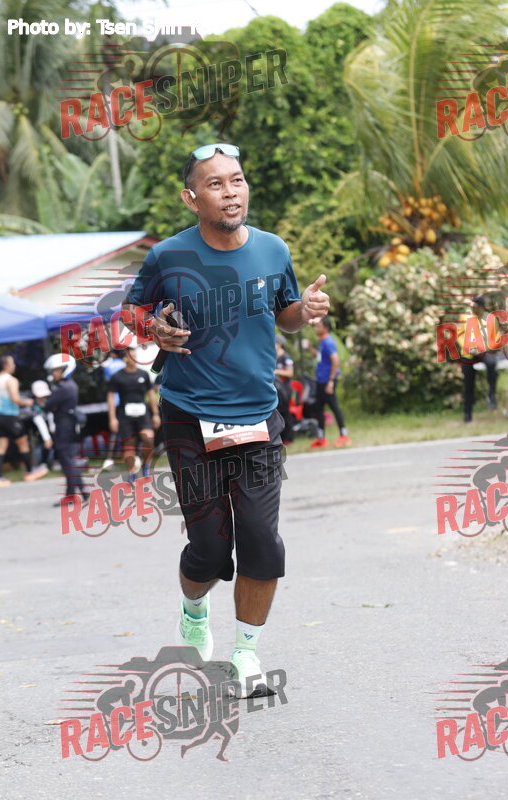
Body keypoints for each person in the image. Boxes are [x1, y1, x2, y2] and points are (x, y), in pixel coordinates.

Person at [123, 142, 329, 698]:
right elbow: (133, 311)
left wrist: (305, 310)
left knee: (262, 540)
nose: (230, 192)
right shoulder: (168, 257)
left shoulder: (273, 249)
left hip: (259, 416)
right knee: (211, 550)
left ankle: (246, 654)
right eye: (215, 184)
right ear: (191, 198)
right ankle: (194, 608)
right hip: (189, 418)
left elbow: (286, 315)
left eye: (236, 180)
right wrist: (152, 329)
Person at [106, 344, 160, 481]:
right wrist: (112, 418)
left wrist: (155, 414)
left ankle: (145, 464)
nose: (134, 359)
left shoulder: (143, 374)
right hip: (125, 416)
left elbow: (151, 394)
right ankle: (132, 471)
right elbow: (111, 397)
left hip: (143, 414)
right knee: (129, 445)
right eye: (131, 357)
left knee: (148, 439)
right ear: (125, 359)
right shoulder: (117, 377)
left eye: (135, 356)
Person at [0, 355, 48, 488]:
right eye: (12, 363)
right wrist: (28, 402)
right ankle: (30, 471)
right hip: (10, 416)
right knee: (23, 443)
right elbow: (16, 399)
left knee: (0, 447)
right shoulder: (11, 380)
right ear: (6, 365)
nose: (14, 365)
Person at [43, 354, 87, 505]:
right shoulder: (68, 385)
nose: (53, 373)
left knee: (67, 461)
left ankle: (71, 496)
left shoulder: (64, 387)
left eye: (56, 370)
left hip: (64, 426)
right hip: (67, 424)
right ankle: (83, 491)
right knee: (69, 460)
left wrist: (48, 404)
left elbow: (47, 405)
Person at [307, 317, 350, 448]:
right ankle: (321, 438)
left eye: (318, 326)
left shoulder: (328, 342)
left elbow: (335, 361)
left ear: (326, 328)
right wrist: (310, 349)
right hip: (321, 380)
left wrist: (331, 381)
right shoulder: (322, 342)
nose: (315, 328)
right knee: (319, 408)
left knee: (334, 407)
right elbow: (321, 357)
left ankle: (344, 435)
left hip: (327, 381)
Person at [457, 295, 499, 423]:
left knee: (492, 363)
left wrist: (483, 348)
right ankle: (467, 415)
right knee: (468, 386)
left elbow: (494, 338)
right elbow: (459, 335)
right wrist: (469, 348)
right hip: (468, 355)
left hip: (483, 352)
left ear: (481, 307)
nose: (473, 309)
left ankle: (492, 394)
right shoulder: (465, 317)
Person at [274, 333, 295, 445]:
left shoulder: (286, 358)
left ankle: (289, 437)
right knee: (277, 412)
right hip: (276, 389)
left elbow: (290, 373)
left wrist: (276, 371)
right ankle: (280, 437)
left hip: (285, 389)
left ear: (279, 344)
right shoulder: (274, 357)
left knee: (286, 412)